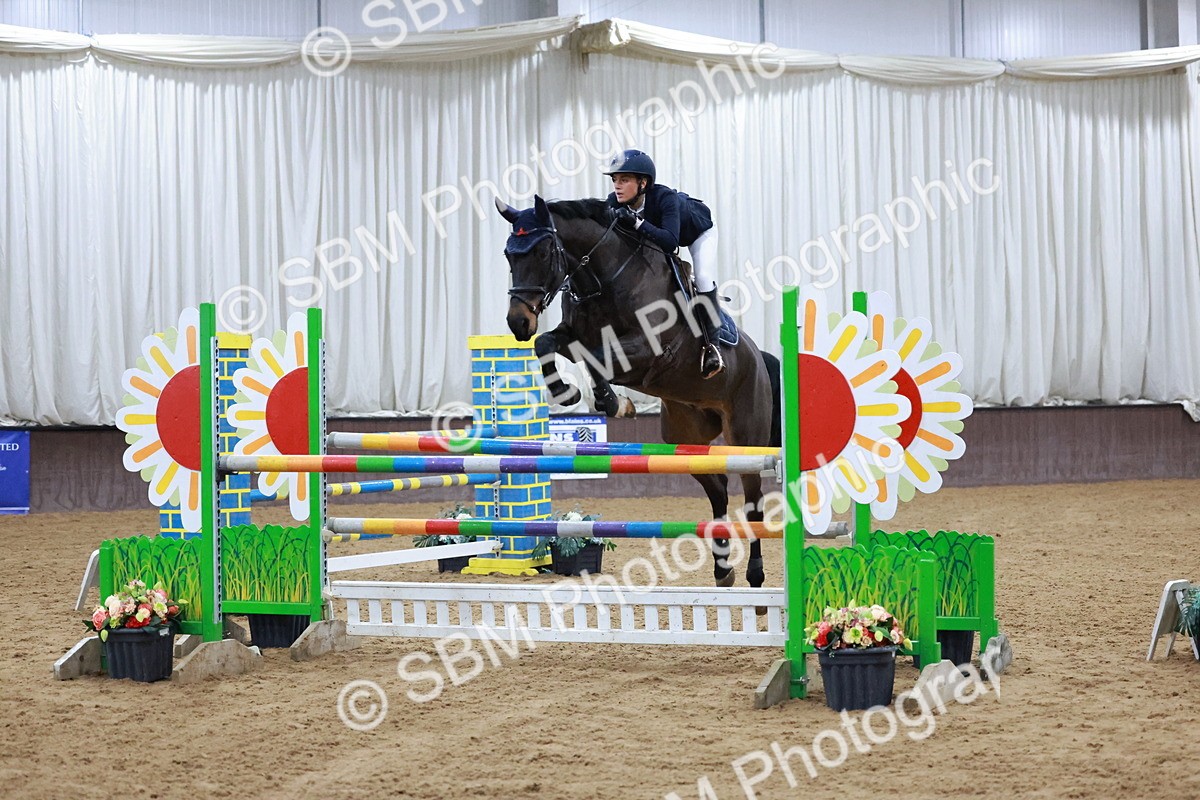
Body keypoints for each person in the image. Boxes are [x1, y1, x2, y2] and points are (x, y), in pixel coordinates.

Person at [602, 149, 725, 379]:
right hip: (659, 237)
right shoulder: (614, 203)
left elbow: (670, 242)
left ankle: (712, 346)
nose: (617, 186)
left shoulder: (664, 198)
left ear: (643, 183)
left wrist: (637, 224)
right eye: (615, 180)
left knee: (703, 277)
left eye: (624, 179)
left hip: (697, 232)